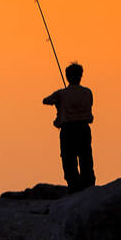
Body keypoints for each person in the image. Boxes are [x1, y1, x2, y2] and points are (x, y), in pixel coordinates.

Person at [42, 61, 95, 193]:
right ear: (81, 76)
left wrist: (59, 101)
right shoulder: (87, 92)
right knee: (86, 158)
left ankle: (74, 187)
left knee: (69, 160)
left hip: (68, 131)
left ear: (67, 77)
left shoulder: (61, 94)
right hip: (84, 129)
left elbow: (46, 100)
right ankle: (88, 187)